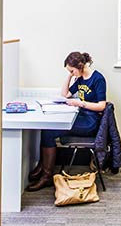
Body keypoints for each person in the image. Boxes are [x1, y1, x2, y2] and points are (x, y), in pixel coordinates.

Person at [26, 51, 107, 191]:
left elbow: (102, 105)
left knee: (48, 133)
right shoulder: (80, 77)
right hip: (81, 117)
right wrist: (69, 76)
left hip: (91, 122)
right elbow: (65, 94)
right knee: (46, 129)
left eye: (72, 70)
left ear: (80, 66)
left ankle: (46, 176)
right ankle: (43, 168)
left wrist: (80, 104)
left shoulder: (98, 79)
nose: (72, 73)